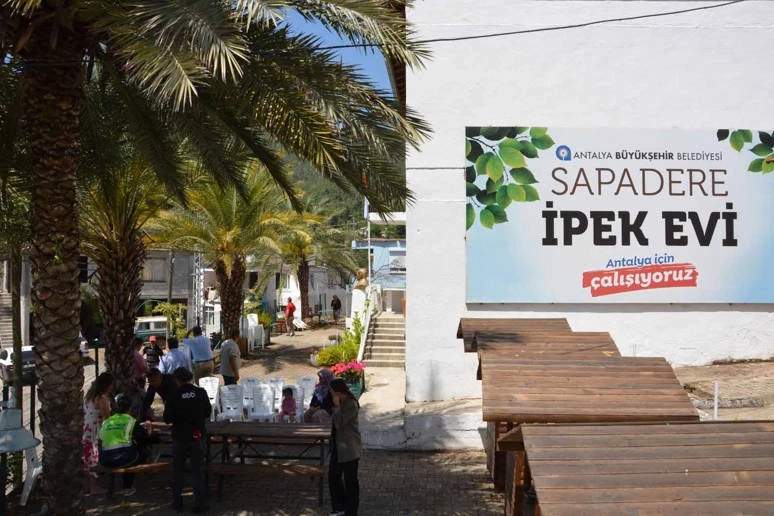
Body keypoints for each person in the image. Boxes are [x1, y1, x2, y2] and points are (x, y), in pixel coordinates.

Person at [164, 367, 211, 513]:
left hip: (180, 437)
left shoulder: (173, 395)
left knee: (178, 471)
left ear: (177, 380)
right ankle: (200, 503)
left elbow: (167, 418)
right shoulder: (200, 392)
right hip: (197, 435)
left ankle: (177, 502)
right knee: (198, 470)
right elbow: (208, 412)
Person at [98, 393, 153, 497]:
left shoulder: (107, 422)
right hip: (124, 458)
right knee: (138, 450)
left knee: (128, 448)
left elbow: (100, 439)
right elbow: (144, 437)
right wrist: (149, 428)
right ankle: (127, 487)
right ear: (130, 408)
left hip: (105, 459)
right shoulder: (131, 421)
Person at [328, 378, 361, 516]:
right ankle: (340, 506)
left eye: (332, 391)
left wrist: (336, 407)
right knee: (333, 477)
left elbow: (339, 423)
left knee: (350, 481)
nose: (330, 394)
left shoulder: (351, 404)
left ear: (338, 392)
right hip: (338, 447)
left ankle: (351, 511)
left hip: (349, 449)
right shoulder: (340, 402)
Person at [83, 372, 114, 494]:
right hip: (95, 429)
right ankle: (94, 487)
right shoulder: (101, 398)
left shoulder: (89, 396)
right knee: (93, 457)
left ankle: (87, 486)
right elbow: (106, 416)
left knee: (87, 457)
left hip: (86, 427)